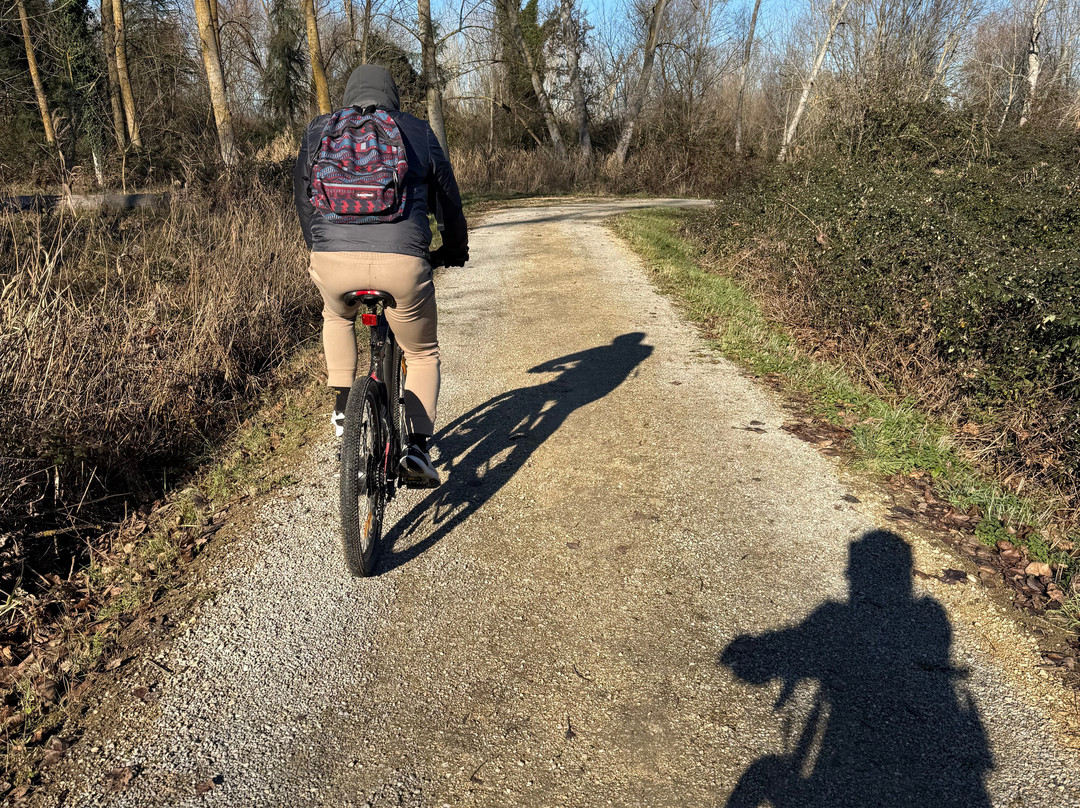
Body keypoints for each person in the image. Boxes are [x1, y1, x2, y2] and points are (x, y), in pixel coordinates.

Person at [293, 65, 468, 487]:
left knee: (336, 317)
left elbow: (303, 198)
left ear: (348, 94)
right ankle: (418, 449)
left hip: (331, 260)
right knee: (422, 352)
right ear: (393, 96)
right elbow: (448, 197)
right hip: (403, 264)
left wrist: (318, 246)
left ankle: (341, 405)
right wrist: (454, 250)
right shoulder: (416, 130)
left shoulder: (320, 130)